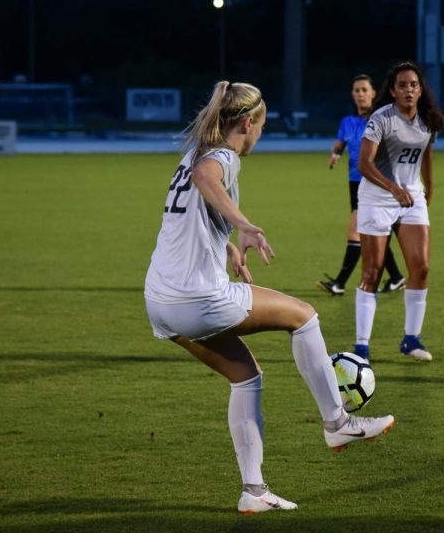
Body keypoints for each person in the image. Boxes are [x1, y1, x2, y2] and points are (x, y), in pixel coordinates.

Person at [143, 81, 395, 514]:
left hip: (160, 301)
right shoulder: (221, 156)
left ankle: (253, 491)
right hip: (198, 299)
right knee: (304, 316)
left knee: (246, 376)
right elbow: (208, 180)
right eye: (262, 124)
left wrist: (226, 247)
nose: (261, 133)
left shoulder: (193, 155)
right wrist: (244, 224)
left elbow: (190, 216)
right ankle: (338, 423)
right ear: (248, 123)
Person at [352, 62, 444, 362]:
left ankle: (411, 339)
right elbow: (364, 164)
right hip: (377, 199)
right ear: (392, 90)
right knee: (372, 271)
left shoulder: (427, 119)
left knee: (421, 267)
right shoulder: (381, 119)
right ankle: (362, 347)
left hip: (411, 197)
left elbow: (426, 152)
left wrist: (428, 187)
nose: (408, 90)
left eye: (413, 85)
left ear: (420, 90)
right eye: (402, 85)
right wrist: (394, 189)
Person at [318, 74, 406, 296]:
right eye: (356, 90)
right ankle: (396, 278)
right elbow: (340, 143)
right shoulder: (347, 122)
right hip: (354, 183)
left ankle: (339, 283)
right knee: (372, 233)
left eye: (364, 90)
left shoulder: (380, 119)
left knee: (356, 230)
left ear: (373, 93)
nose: (360, 94)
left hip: (374, 182)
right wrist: (335, 154)